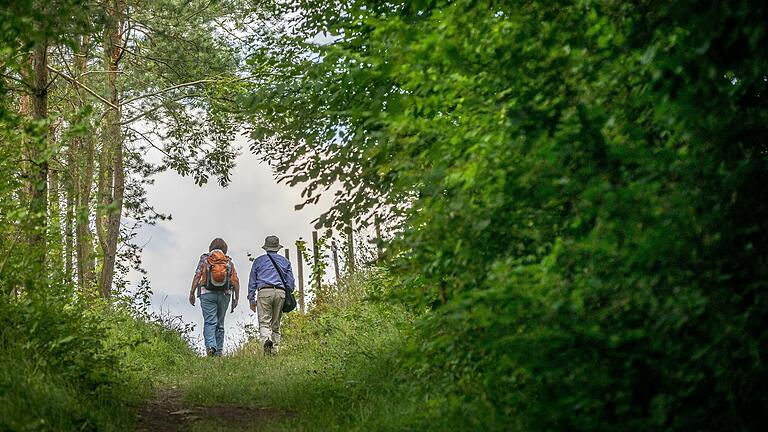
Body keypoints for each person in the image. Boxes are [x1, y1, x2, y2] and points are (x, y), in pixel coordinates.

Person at [189, 238, 240, 357]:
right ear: (225, 249)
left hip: (207, 294)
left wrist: (192, 292)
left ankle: (211, 346)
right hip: (224, 294)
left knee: (210, 322)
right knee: (220, 323)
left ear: (211, 247)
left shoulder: (205, 259)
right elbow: (235, 281)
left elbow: (197, 275)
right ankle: (219, 352)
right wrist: (236, 298)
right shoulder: (228, 262)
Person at [248, 235, 295, 354]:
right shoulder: (285, 261)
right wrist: (287, 292)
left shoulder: (258, 261)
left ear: (266, 247)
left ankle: (266, 341)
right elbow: (290, 283)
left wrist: (251, 299)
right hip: (280, 292)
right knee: (276, 323)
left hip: (264, 292)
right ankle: (275, 349)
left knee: (264, 321)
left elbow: (252, 281)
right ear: (277, 248)